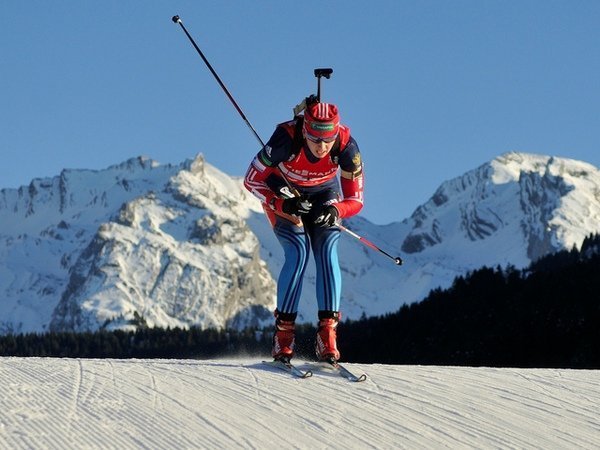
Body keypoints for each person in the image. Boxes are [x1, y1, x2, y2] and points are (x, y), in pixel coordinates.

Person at [244, 101, 364, 362]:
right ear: (304, 131)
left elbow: (356, 200)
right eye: (315, 139)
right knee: (298, 252)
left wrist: (336, 210)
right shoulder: (285, 139)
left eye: (328, 140)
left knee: (327, 249)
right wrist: (282, 204)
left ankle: (327, 335)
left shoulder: (347, 147)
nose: (322, 147)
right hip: (284, 192)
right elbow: (251, 180)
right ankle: (284, 336)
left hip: (324, 194)